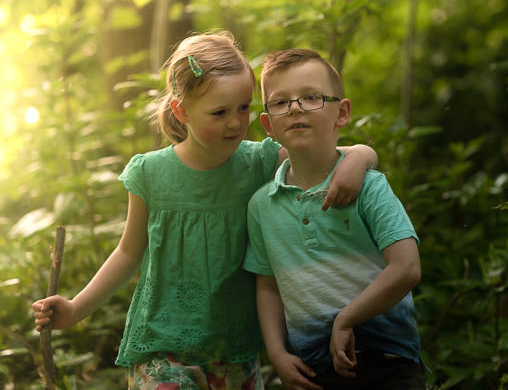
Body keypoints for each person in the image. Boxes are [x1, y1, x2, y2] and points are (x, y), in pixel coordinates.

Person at [31, 32, 377, 389]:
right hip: (162, 345)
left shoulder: (259, 161)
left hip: (234, 349)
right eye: (219, 112)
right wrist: (75, 309)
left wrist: (362, 157)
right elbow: (128, 252)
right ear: (182, 111)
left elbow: (331, 156)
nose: (235, 122)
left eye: (243, 107)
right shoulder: (151, 173)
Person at [243, 48, 425, 390]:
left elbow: (406, 269)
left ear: (342, 113)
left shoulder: (369, 187)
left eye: (311, 97)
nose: (295, 107)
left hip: (386, 360)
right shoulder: (261, 206)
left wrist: (347, 319)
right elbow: (267, 285)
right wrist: (277, 353)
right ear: (268, 125)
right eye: (281, 102)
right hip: (312, 370)